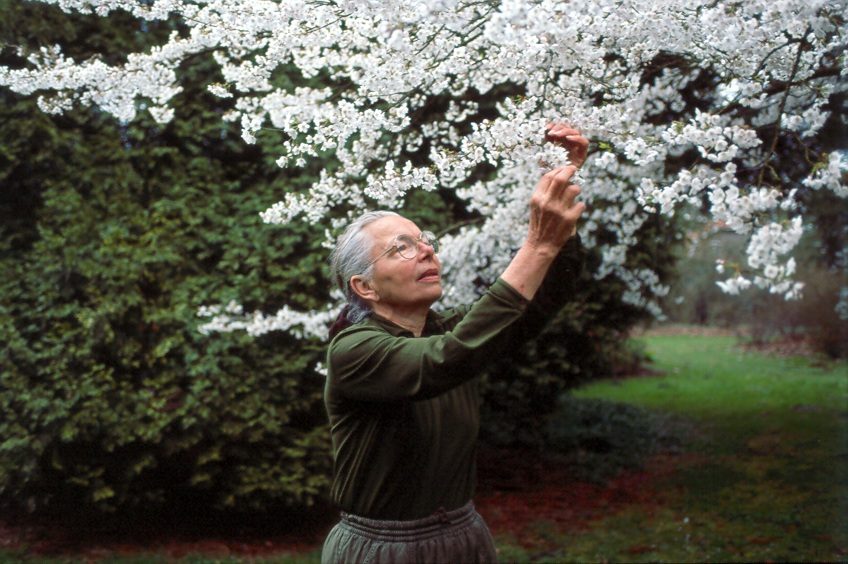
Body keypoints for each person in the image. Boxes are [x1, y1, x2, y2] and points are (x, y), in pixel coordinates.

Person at [322, 125, 589, 563]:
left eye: (425, 241)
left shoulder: (445, 332)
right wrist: (536, 243)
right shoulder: (354, 351)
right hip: (385, 551)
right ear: (364, 287)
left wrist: (560, 181)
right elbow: (447, 359)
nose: (426, 251)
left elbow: (540, 302)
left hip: (465, 539)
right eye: (401, 248)